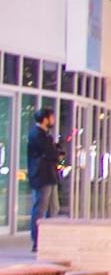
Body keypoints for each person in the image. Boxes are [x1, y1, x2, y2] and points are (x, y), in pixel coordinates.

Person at [26, 107, 63, 252]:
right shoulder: (37, 134)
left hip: (49, 175)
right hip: (42, 176)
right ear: (45, 119)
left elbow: (53, 152)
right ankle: (37, 241)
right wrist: (55, 152)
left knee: (54, 207)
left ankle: (49, 238)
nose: (53, 120)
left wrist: (55, 151)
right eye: (52, 117)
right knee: (40, 209)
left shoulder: (45, 135)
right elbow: (51, 153)